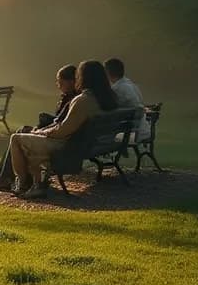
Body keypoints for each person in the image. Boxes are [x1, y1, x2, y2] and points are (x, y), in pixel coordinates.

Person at [7, 60, 120, 198]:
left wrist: (40, 132)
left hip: (70, 145)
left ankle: (25, 182)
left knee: (17, 139)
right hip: (96, 142)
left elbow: (62, 131)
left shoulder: (83, 100)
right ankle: (34, 182)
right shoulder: (109, 97)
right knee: (29, 139)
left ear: (84, 77)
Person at [0, 64, 78, 186]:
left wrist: (40, 130)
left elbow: (61, 124)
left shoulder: (74, 100)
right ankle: (3, 173)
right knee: (22, 129)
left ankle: (6, 177)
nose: (58, 84)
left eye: (61, 81)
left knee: (17, 137)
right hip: (55, 134)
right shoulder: (69, 98)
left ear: (71, 81)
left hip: (57, 139)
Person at [106, 58, 151, 142]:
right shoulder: (130, 84)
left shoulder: (117, 89)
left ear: (107, 73)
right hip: (142, 129)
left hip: (132, 131)